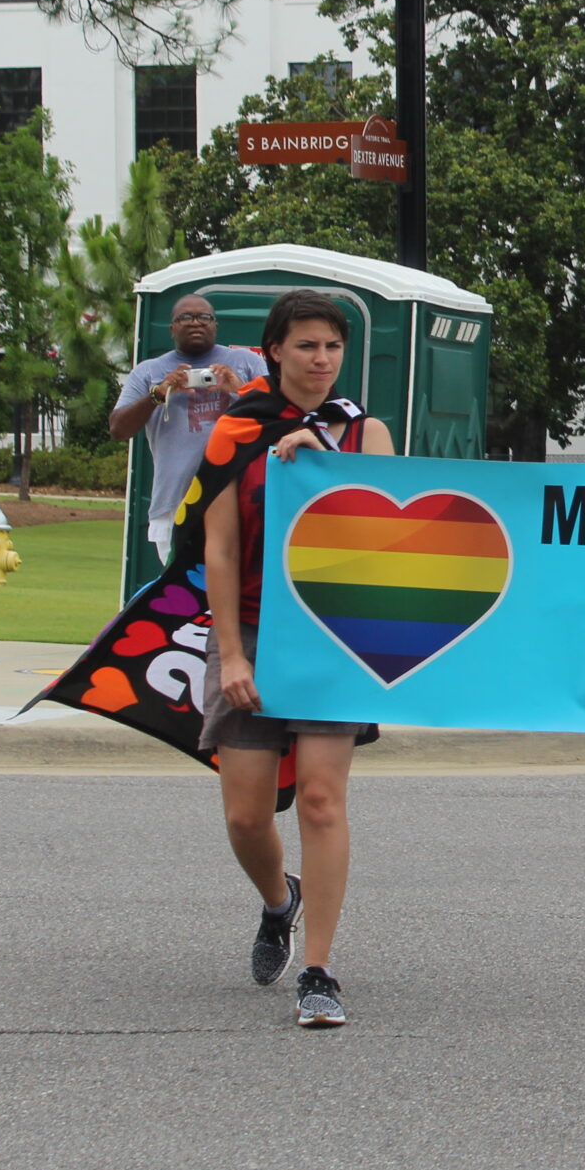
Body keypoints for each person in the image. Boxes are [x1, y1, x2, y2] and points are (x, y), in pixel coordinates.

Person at [201, 288, 395, 1028]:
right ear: (274, 349)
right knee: (248, 815)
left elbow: (381, 530)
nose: (321, 359)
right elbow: (218, 549)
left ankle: (319, 970)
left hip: (332, 634)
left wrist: (325, 465)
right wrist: (229, 655)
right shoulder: (237, 432)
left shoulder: (362, 431)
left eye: (333, 347)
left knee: (320, 796)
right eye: (307, 344)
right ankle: (279, 900)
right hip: (251, 628)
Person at [110, 294, 268, 560]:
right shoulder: (149, 371)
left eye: (204, 317)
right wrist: (157, 395)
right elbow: (118, 429)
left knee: (235, 593)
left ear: (215, 325)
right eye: (185, 317)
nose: (196, 323)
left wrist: (240, 391)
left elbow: (279, 418)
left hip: (239, 501)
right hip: (176, 504)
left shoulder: (245, 362)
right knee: (185, 596)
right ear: (171, 328)